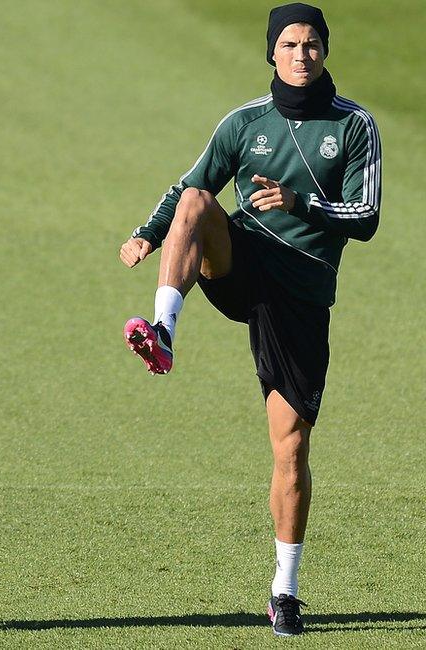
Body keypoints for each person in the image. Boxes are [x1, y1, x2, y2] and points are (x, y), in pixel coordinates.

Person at [118, 3, 380, 637]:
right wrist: (147, 235)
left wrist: (301, 203)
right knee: (198, 202)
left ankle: (284, 591)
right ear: (271, 52)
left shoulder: (354, 127)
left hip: (301, 289)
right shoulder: (243, 123)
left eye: (312, 44)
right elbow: (192, 182)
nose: (301, 54)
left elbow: (366, 216)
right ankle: (164, 331)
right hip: (242, 262)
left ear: (326, 51)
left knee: (290, 449)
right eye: (289, 44)